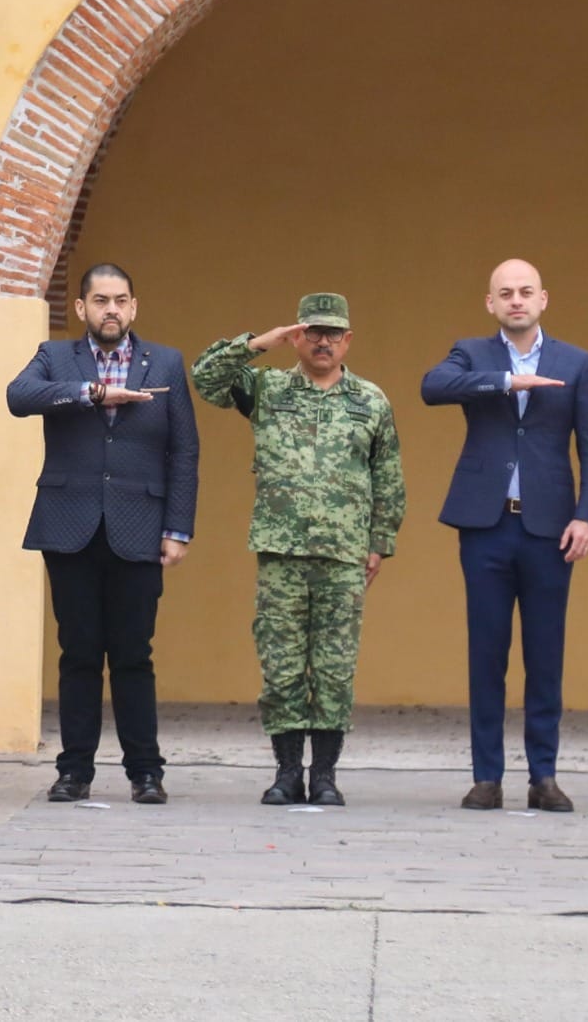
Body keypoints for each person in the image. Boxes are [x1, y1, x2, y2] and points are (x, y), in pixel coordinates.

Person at [191, 294, 405, 806]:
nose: (324, 341)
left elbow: (388, 477)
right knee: (282, 664)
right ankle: (288, 772)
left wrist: (380, 543)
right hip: (281, 552)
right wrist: (259, 343)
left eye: (334, 333)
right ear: (298, 336)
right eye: (313, 331)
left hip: (344, 556)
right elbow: (205, 378)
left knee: (333, 668)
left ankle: (325, 775)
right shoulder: (268, 390)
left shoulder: (370, 400)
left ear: (348, 339)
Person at [6, 263, 198, 805]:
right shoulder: (56, 359)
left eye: (119, 300)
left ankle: (146, 772)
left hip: (140, 525)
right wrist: (91, 393)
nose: (110, 309)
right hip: (70, 526)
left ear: (134, 307)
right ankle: (74, 772)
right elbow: (18, 397)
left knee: (134, 654)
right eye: (99, 300)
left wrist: (178, 528)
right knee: (79, 653)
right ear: (83, 308)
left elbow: (183, 450)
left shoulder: (164, 362)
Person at [421, 258, 588, 813]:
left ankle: (543, 776)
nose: (517, 301)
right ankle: (487, 777)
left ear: (544, 298)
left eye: (526, 292)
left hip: (552, 528)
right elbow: (433, 387)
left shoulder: (576, 362)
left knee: (545, 654)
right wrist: (505, 380)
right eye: (506, 293)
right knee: (487, 652)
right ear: (491, 303)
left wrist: (587, 516)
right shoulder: (473, 354)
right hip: (487, 526)